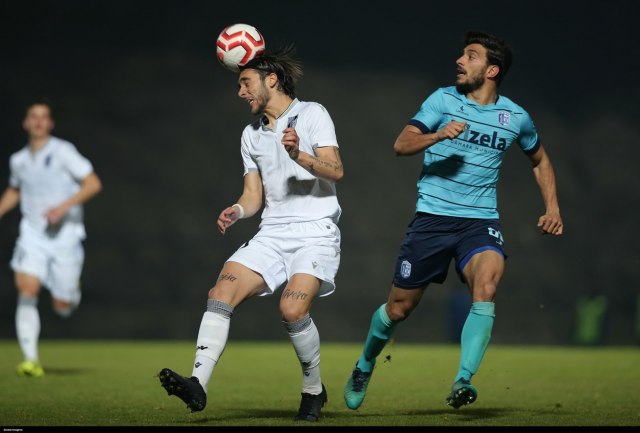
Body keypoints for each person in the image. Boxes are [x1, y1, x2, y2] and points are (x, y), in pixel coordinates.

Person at [343, 30, 563, 411]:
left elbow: (540, 159)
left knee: (487, 286)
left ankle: (463, 379)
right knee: (398, 309)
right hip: (432, 221)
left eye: (471, 56)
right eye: (462, 55)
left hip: (479, 222)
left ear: (492, 70)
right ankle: (364, 364)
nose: (460, 61)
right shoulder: (442, 100)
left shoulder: (515, 117)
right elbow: (401, 144)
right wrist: (438, 135)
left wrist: (553, 207)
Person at [158, 45, 344, 422]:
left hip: (315, 233)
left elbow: (335, 170)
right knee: (219, 293)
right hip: (271, 234)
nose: (240, 91)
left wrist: (299, 155)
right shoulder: (251, 134)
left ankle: (313, 389)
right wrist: (238, 210)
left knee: (292, 310)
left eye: (245, 82)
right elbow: (254, 195)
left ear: (271, 80)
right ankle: (197, 384)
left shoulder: (312, 113)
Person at [0, 100, 102, 377]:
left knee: (62, 306)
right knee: (27, 290)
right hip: (32, 235)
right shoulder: (18, 160)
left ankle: (70, 293)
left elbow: (93, 183)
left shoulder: (63, 151)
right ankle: (30, 360)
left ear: (50, 123)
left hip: (65, 237)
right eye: (33, 116)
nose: (38, 121)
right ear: (25, 122)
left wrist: (63, 207)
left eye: (43, 117)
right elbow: (15, 189)